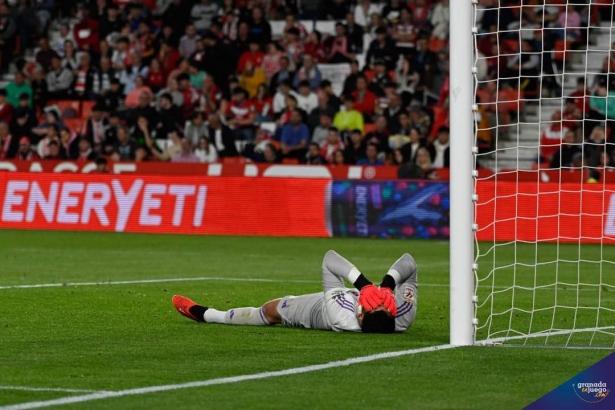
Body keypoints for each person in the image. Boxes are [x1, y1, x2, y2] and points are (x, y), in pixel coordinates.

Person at [173, 250, 417, 334]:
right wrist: (387, 284)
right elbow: (410, 263)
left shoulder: (340, 314)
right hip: (346, 300)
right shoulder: (402, 316)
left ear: (361, 316)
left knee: (270, 310)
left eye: (376, 304)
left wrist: (363, 285)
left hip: (317, 311)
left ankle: (207, 314)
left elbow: (330, 259)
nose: (382, 301)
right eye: (385, 304)